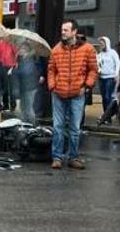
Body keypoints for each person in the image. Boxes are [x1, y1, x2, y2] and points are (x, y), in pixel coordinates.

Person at [47, 19, 98, 170]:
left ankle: (73, 157)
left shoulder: (88, 49)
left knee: (75, 128)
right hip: (58, 93)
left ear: (74, 32)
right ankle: (57, 158)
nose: (63, 32)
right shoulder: (55, 50)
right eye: (62, 30)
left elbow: (93, 70)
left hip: (77, 93)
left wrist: (86, 86)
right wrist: (52, 86)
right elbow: (51, 70)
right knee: (58, 127)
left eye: (66, 30)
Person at [13, 45, 43, 124]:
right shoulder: (19, 59)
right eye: (20, 49)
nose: (20, 50)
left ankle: (33, 125)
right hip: (23, 87)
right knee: (24, 109)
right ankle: (26, 125)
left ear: (27, 50)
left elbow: (25, 72)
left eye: (22, 49)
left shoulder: (30, 59)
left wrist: (16, 70)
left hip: (30, 87)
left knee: (29, 109)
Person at [97, 36, 120, 117]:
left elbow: (118, 63)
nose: (101, 45)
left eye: (102, 43)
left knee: (108, 96)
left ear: (106, 43)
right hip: (101, 78)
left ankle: (109, 115)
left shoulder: (112, 52)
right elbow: (98, 65)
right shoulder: (99, 54)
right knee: (104, 97)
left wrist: (116, 74)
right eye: (100, 43)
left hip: (110, 77)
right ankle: (106, 114)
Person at [0, 38, 17, 111]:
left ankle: (13, 105)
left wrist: (15, 65)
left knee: (11, 87)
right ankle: (6, 105)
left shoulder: (12, 44)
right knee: (4, 87)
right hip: (2, 67)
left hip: (11, 67)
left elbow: (16, 54)